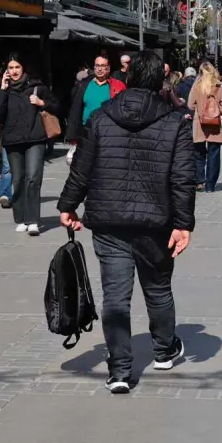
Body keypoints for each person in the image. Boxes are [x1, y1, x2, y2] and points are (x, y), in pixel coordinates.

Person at [57, 51, 196, 395]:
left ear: (129, 77)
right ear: (160, 81)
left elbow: (82, 167)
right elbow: (182, 178)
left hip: (109, 221)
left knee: (116, 297)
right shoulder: (175, 121)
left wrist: (68, 205)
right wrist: (183, 224)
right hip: (156, 222)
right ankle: (164, 350)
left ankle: (119, 370)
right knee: (158, 289)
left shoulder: (102, 116)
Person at [0, 53, 59, 236]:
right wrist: (2, 89)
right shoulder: (5, 90)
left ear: (24, 68)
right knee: (18, 179)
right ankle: (21, 218)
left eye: (17, 67)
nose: (14, 71)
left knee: (33, 178)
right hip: (13, 141)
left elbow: (56, 106)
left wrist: (41, 102)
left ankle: (33, 220)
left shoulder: (36, 87)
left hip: (35, 139)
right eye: (11, 68)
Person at [65, 55, 126, 147]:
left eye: (103, 66)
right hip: (86, 131)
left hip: (109, 133)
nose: (99, 69)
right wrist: (72, 135)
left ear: (108, 68)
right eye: (97, 65)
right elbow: (75, 110)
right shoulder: (83, 85)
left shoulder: (118, 86)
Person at [187, 62, 222, 192]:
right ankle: (210, 186)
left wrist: (200, 110)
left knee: (199, 154)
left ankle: (200, 182)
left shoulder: (196, 86)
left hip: (199, 124)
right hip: (214, 125)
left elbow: (190, 105)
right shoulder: (217, 86)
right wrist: (214, 112)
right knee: (213, 155)